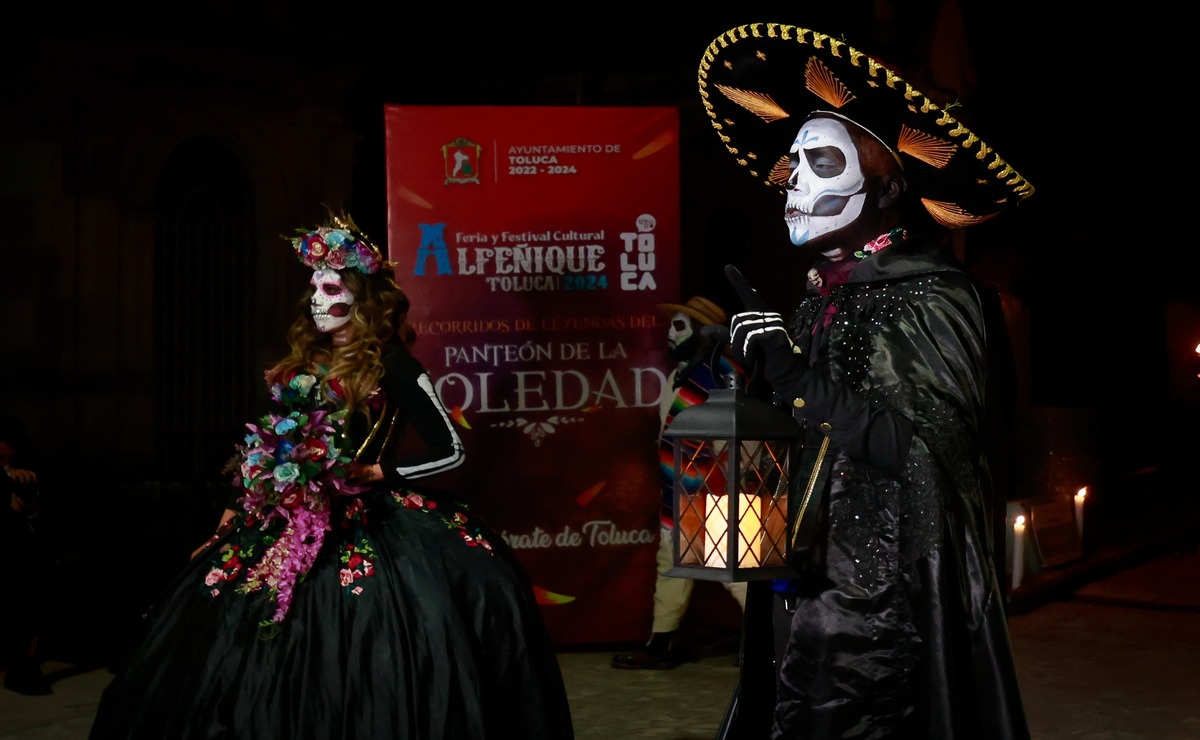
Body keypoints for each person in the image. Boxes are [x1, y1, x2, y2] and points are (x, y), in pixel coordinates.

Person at [88, 212, 575, 739]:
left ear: (363, 299)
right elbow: (265, 447)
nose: (317, 299)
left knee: (368, 625)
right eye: (313, 288)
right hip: (282, 517)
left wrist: (376, 469)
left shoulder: (394, 365)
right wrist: (230, 515)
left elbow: (450, 448)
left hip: (370, 518)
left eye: (330, 286)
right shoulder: (300, 366)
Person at [698, 24, 1034, 739]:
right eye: (794, 164)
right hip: (805, 593)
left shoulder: (937, 294)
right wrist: (742, 379)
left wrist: (791, 374)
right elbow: (806, 433)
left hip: (881, 612)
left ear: (888, 186)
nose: (793, 185)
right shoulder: (824, 293)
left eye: (821, 162)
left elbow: (923, 459)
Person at [611, 296, 747, 670]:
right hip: (679, 488)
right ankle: (661, 644)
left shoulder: (725, 373)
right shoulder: (680, 375)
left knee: (733, 567)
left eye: (681, 326)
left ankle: (772, 643)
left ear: (705, 332)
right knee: (671, 563)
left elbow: (737, 435)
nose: (670, 333)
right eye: (671, 325)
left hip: (719, 489)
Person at [0, 414, 53, 696]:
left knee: (27, 600)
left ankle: (24, 664)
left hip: (21, 553)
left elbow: (38, 511)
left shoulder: (31, 466)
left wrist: (27, 504)